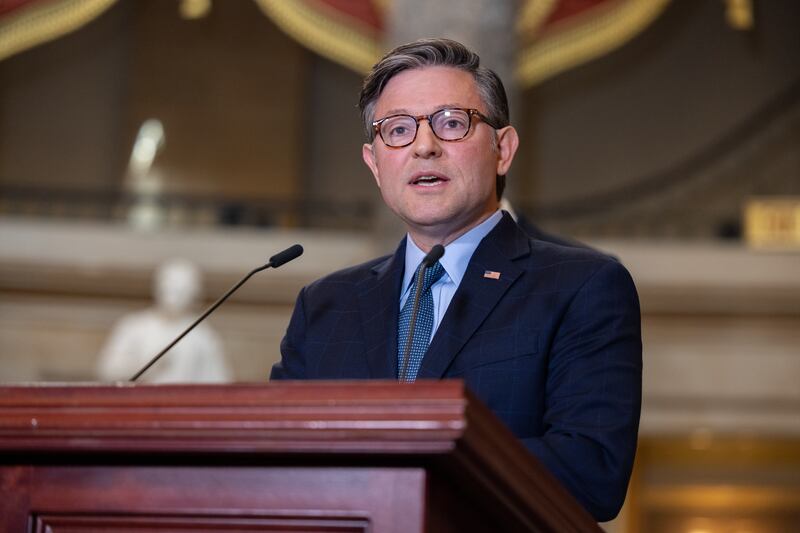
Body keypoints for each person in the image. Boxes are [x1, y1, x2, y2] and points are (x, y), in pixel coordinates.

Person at [271, 38, 641, 522]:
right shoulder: (324, 305)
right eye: (398, 130)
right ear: (374, 163)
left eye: (451, 123)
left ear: (502, 149)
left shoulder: (582, 286)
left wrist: (409, 456)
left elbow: (592, 472)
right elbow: (276, 459)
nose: (424, 146)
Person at [97, 259, 232, 383]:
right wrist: (147, 365)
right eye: (170, 288)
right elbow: (107, 371)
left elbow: (219, 382)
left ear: (194, 294)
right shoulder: (134, 326)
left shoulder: (203, 336)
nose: (174, 297)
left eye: (182, 291)